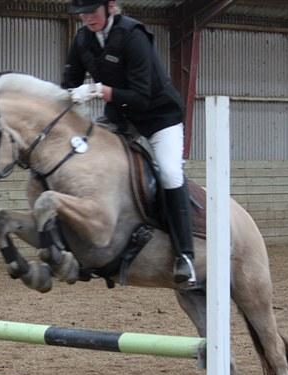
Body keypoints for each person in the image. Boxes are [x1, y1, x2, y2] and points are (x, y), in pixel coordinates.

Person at [63, 0, 197, 289]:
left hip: (159, 115)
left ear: (110, 6)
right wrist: (68, 98)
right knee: (87, 158)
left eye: (92, 11)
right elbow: (68, 83)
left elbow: (141, 96)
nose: (87, 18)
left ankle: (185, 254)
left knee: (170, 173)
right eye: (82, 13)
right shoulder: (83, 38)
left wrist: (98, 90)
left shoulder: (134, 35)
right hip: (120, 118)